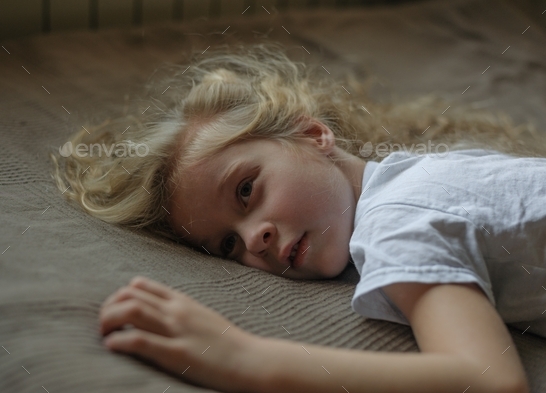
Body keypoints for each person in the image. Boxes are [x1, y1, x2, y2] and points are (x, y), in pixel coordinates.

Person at [51, 44, 546, 393]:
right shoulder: (421, 175)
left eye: (246, 190)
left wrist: (246, 360)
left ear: (312, 135)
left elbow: (488, 380)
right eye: (227, 245)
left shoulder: (397, 222)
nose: (255, 238)